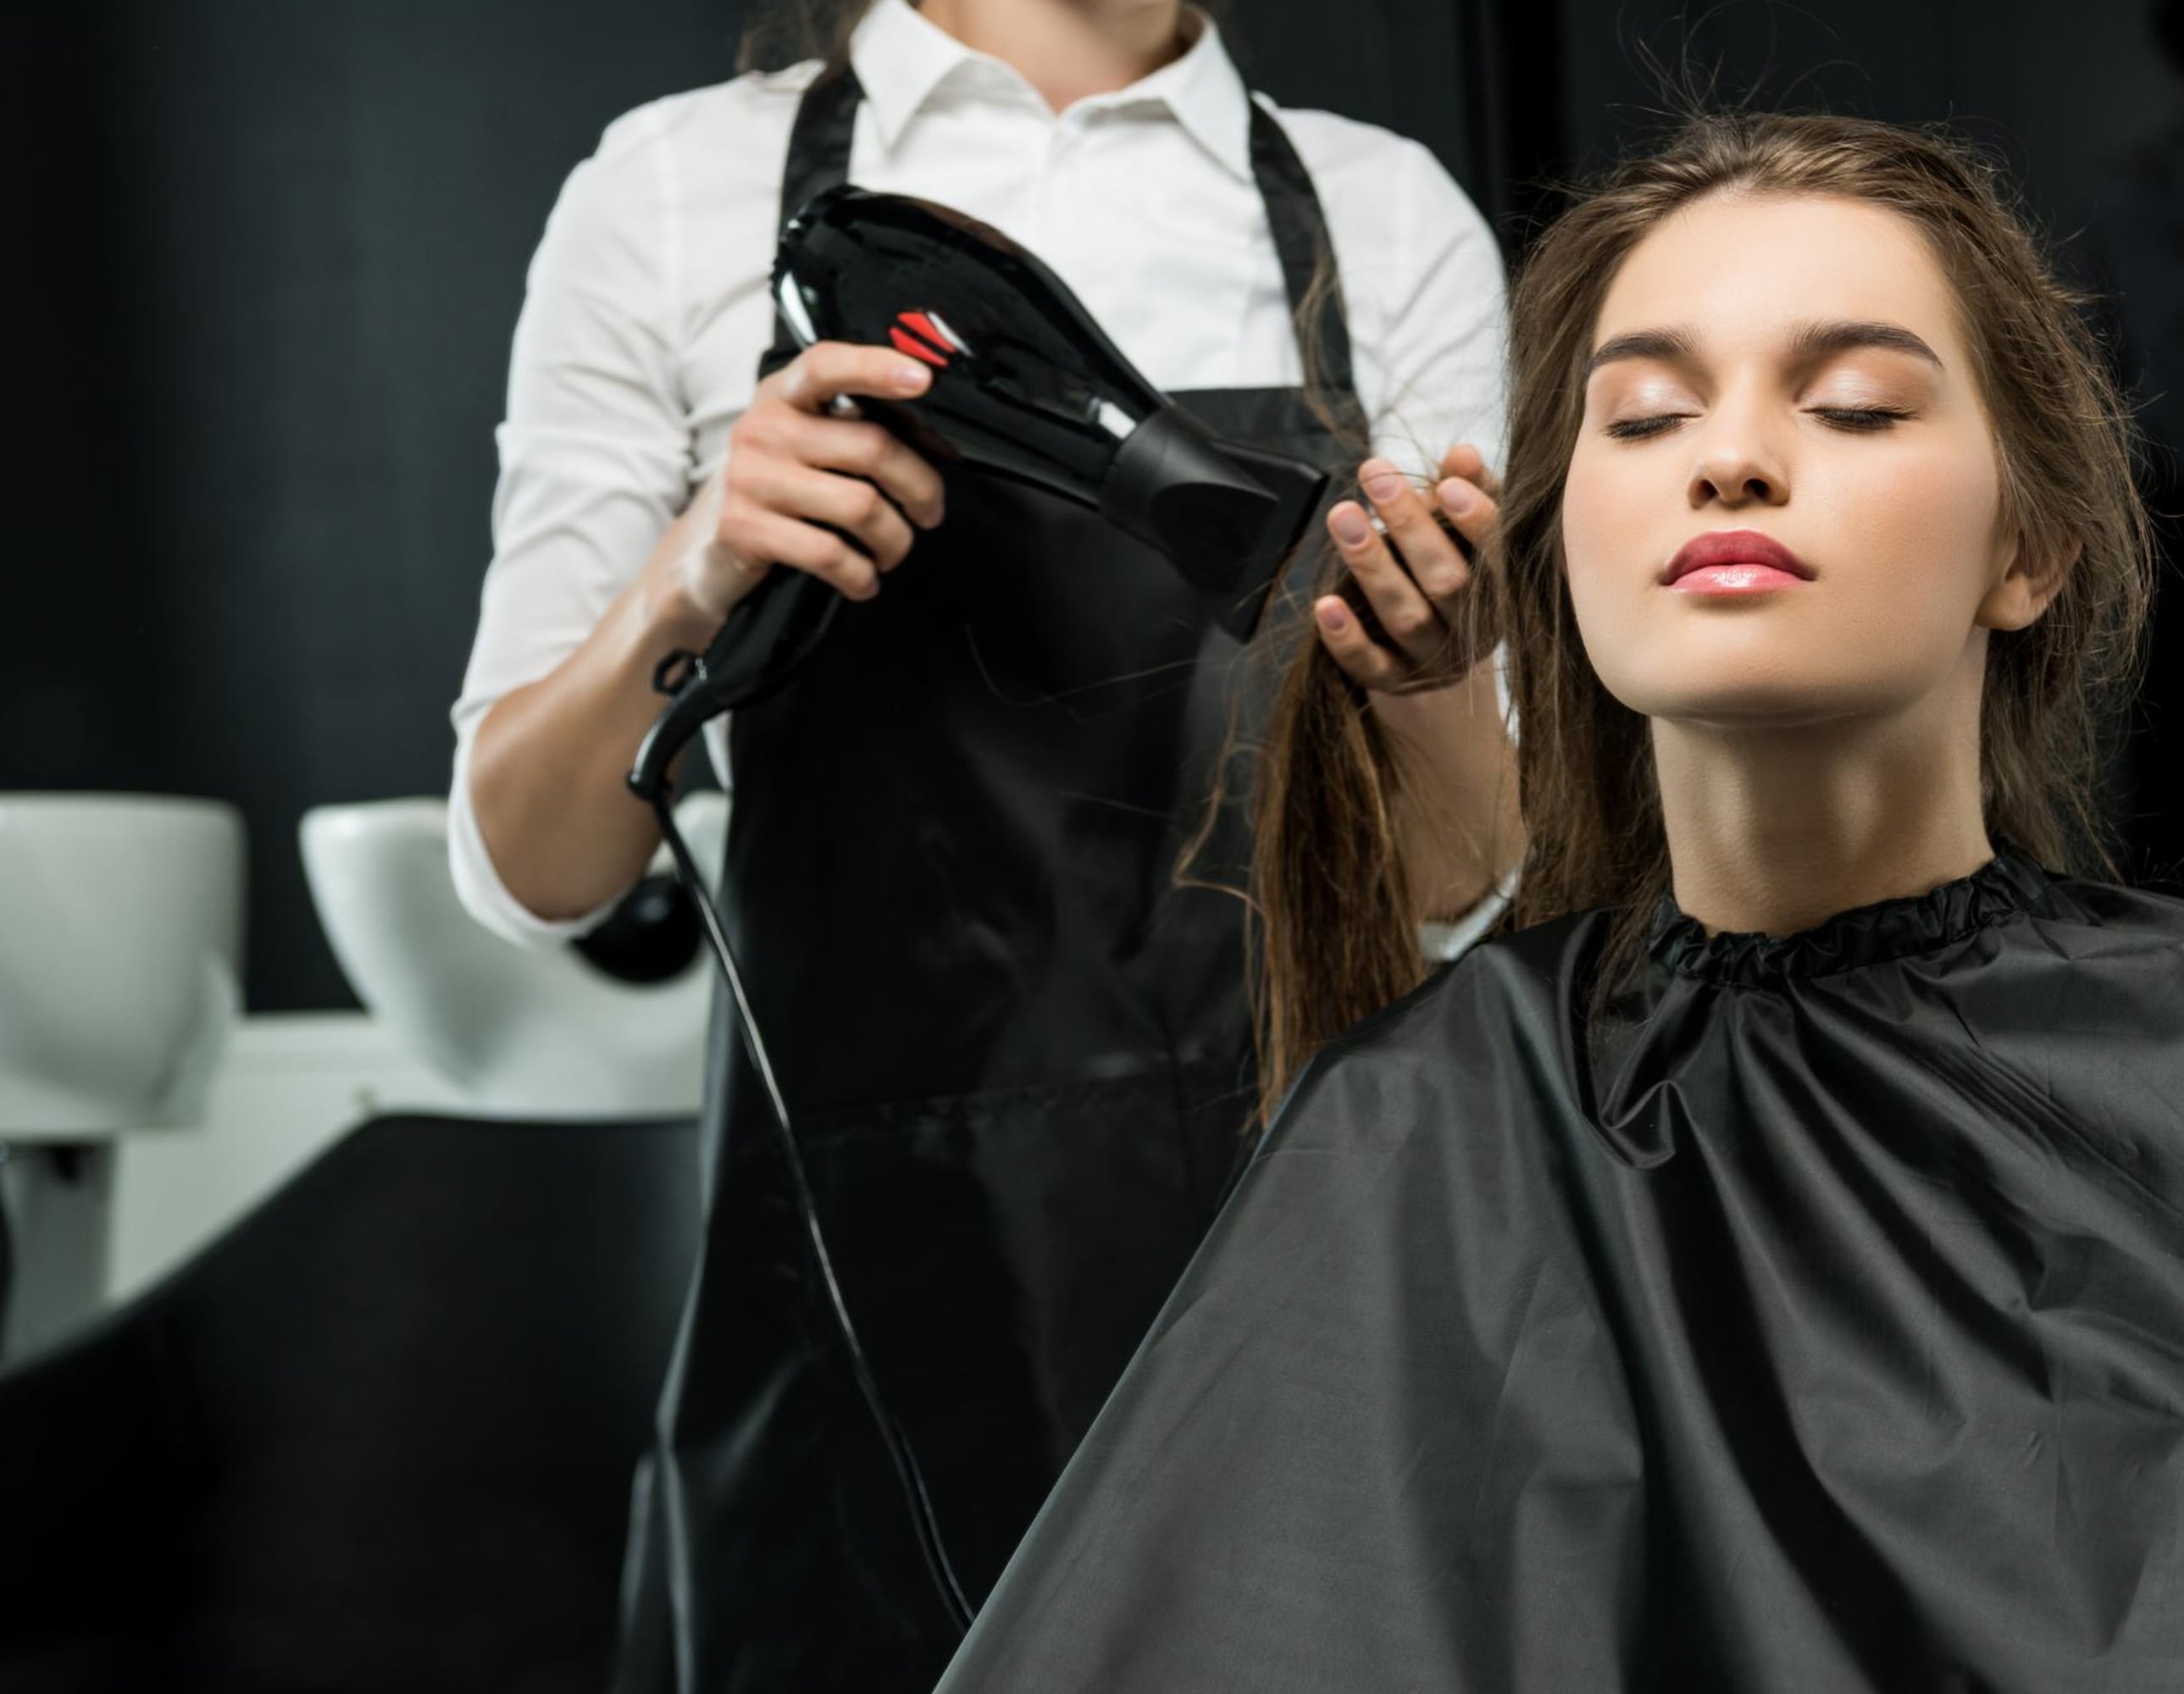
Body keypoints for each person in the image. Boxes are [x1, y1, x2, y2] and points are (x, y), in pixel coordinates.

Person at [933, 108, 2184, 1691]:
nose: (1730, 458)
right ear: (1564, 546)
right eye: (1639, 420)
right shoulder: (1431, 1129)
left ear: (2031, 550)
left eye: (1851, 405)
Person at [445, 1, 1521, 1686]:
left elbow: (1466, 882)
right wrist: (697, 564)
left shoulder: (1379, 211)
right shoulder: (671, 191)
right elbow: (529, 865)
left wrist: (1435, 674)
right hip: (860, 1318)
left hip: (1296, 1267)